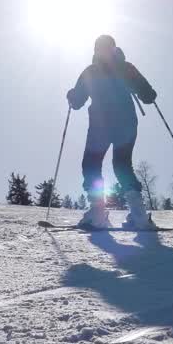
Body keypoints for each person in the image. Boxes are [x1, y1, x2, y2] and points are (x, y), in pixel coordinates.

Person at [66, 34, 157, 229]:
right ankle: (138, 214)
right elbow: (146, 93)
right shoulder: (124, 68)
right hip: (124, 123)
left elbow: (77, 101)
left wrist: (72, 97)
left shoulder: (93, 72)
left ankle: (99, 212)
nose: (103, 51)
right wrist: (148, 94)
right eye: (101, 48)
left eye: (105, 48)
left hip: (103, 124)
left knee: (93, 163)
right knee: (120, 164)